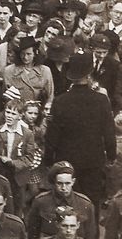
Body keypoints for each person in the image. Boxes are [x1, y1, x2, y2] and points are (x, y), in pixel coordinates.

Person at [45, 49, 117, 206]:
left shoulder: (60, 102)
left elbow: (51, 136)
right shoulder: (101, 101)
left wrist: (49, 160)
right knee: (91, 204)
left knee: (66, 205)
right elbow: (109, 133)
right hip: (93, 162)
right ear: (89, 73)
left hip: (66, 163)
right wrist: (111, 156)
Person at [26, 161, 99, 239]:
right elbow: (33, 233)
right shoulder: (41, 201)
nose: (64, 187)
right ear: (54, 183)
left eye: (67, 183)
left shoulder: (85, 203)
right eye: (59, 183)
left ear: (73, 181)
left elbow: (91, 235)